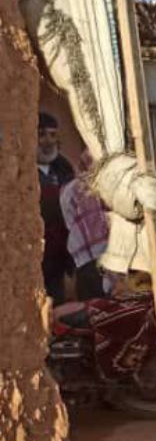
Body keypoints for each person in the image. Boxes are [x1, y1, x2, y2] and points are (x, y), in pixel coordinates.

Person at [38, 113, 76, 303]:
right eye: (42, 135)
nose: (48, 141)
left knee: (57, 305)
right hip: (35, 254)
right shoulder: (19, 169)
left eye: (53, 135)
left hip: (58, 254)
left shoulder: (63, 168)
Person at [61, 149, 110, 300]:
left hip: (85, 260)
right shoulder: (109, 185)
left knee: (91, 310)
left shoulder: (68, 190)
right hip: (113, 256)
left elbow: (69, 223)